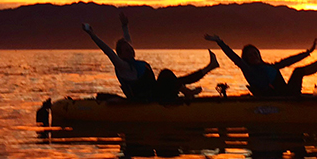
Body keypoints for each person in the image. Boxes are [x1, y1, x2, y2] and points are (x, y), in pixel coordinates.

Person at [83, 13, 218, 101]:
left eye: (130, 49)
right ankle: (191, 88)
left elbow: (128, 40)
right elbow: (107, 50)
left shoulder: (131, 62)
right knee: (166, 75)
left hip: (155, 93)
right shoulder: (122, 66)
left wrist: (125, 26)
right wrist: (92, 34)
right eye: (126, 50)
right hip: (146, 99)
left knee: (171, 78)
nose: (130, 51)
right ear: (120, 55)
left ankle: (207, 70)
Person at [204, 35, 317, 97]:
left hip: (287, 93)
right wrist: (219, 42)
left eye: (255, 53)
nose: (254, 56)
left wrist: (308, 52)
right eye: (250, 55)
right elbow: (233, 57)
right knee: (298, 72)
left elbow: (287, 61)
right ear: (246, 59)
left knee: (296, 70)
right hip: (281, 97)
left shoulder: (268, 66)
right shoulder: (249, 69)